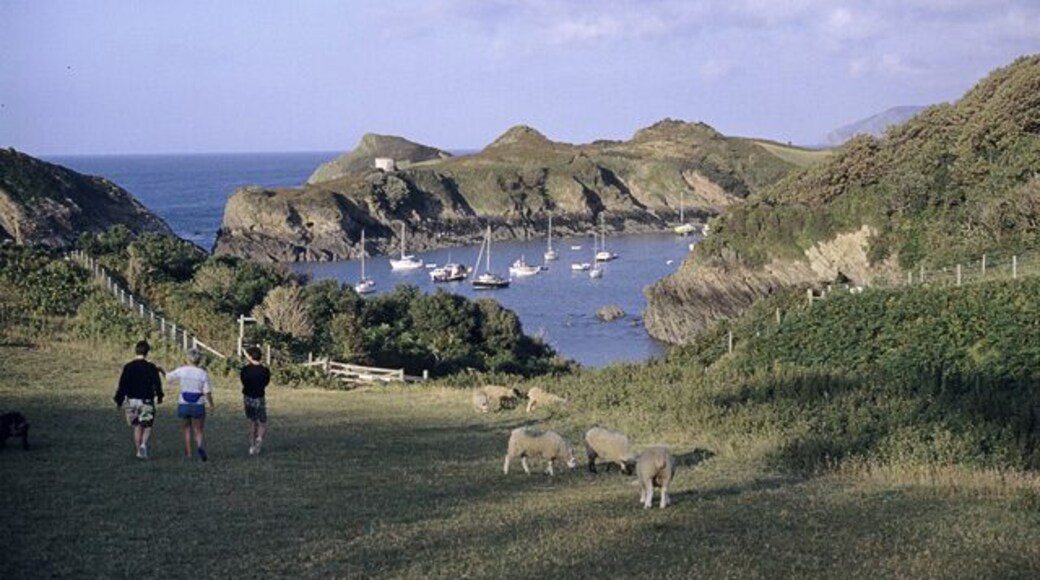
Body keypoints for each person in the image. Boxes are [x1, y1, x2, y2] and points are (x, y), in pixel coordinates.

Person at [114, 340, 164, 459]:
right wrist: (160, 396)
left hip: (132, 401)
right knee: (147, 426)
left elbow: (123, 385)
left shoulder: (128, 367)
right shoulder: (151, 367)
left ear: (136, 351)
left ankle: (138, 451)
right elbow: (157, 384)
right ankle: (143, 444)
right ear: (147, 353)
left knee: (136, 426)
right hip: (146, 400)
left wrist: (119, 400)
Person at [166, 349, 214, 461]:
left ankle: (188, 453)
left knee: (186, 429)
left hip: (184, 403)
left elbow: (168, 378)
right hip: (198, 403)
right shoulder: (203, 373)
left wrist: (161, 370)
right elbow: (207, 392)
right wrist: (211, 405)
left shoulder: (182, 370)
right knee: (199, 429)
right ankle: (200, 446)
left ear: (187, 359)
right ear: (199, 360)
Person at [240, 345, 271, 455]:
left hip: (248, 398)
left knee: (252, 422)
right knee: (262, 422)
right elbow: (266, 383)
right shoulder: (265, 371)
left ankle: (252, 447)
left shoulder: (245, 370)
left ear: (250, 357)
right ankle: (259, 438)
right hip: (259, 397)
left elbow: (243, 382)